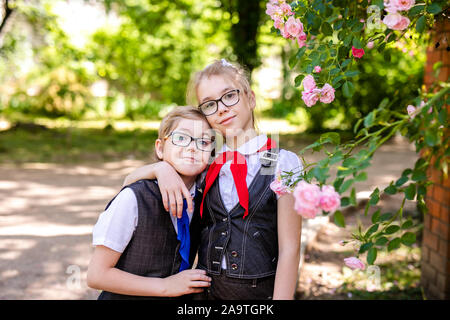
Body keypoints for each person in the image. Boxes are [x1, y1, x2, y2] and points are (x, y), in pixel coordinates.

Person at [122, 59, 303, 300]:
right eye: (209, 104)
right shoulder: (205, 161)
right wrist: (160, 169)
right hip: (204, 295)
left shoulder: (280, 162)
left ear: (250, 98)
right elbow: (128, 182)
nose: (221, 108)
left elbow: (290, 249)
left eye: (229, 96)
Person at [87, 106, 213, 299]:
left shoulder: (205, 199)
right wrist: (165, 286)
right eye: (181, 138)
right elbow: (97, 275)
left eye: (203, 141)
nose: (192, 147)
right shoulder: (133, 199)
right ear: (160, 148)